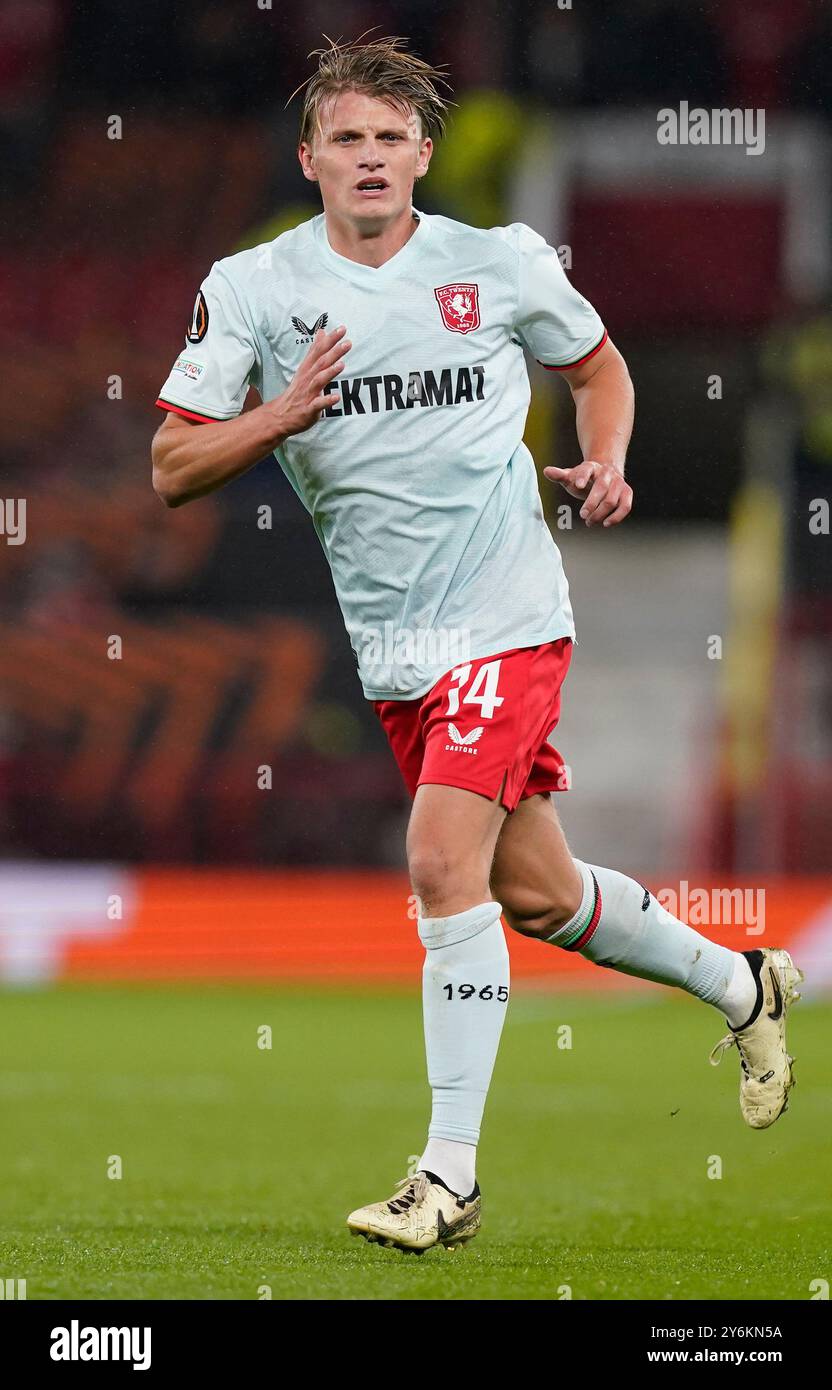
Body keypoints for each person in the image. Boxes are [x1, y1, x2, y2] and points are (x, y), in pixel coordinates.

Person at [150, 35, 803, 1254]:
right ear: (309, 159)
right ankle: (743, 982)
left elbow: (599, 367)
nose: (369, 159)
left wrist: (605, 460)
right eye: (345, 139)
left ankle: (445, 1177)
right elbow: (172, 464)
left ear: (422, 156)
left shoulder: (495, 264)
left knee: (442, 864)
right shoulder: (251, 290)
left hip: (508, 614)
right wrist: (276, 415)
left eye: (390, 139)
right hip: (398, 650)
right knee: (538, 895)